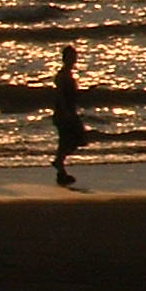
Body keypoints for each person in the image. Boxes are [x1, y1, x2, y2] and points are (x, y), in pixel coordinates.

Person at [53, 44, 87, 185]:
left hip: (69, 111)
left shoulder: (69, 75)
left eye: (75, 57)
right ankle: (60, 167)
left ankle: (60, 166)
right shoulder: (62, 76)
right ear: (65, 58)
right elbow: (60, 95)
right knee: (69, 140)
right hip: (64, 113)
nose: (74, 60)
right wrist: (66, 111)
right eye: (71, 57)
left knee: (74, 140)